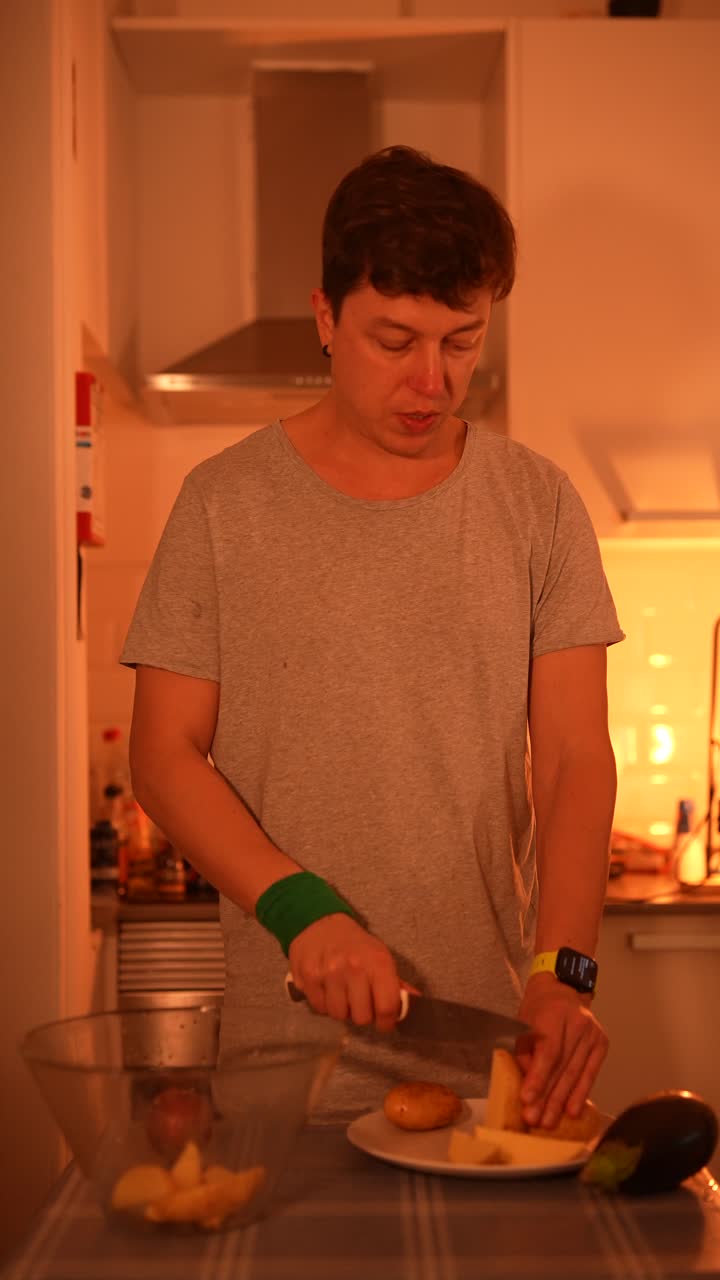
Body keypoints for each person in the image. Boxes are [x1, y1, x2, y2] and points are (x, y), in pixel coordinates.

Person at [121, 145, 624, 1125]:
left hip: (488, 1064)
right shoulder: (222, 505)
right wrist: (302, 910)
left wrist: (565, 971)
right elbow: (163, 753)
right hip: (281, 1067)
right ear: (325, 317)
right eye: (395, 340)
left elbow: (572, 759)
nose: (432, 380)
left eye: (462, 341)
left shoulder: (539, 504)